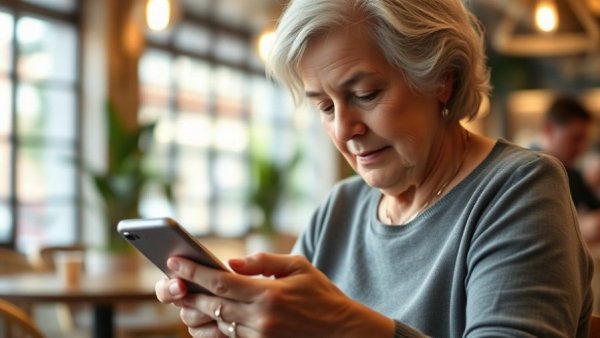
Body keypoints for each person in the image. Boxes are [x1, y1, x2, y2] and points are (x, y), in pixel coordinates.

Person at [155, 0, 594, 336]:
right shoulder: (341, 208)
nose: (344, 129)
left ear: (443, 78)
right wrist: (237, 322)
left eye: (365, 94)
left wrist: (345, 327)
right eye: (325, 106)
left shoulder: (519, 189)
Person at [537, 95, 600, 246]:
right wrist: (577, 228)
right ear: (549, 130)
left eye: (585, 139)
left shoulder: (573, 174)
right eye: (576, 138)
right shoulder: (531, 175)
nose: (582, 147)